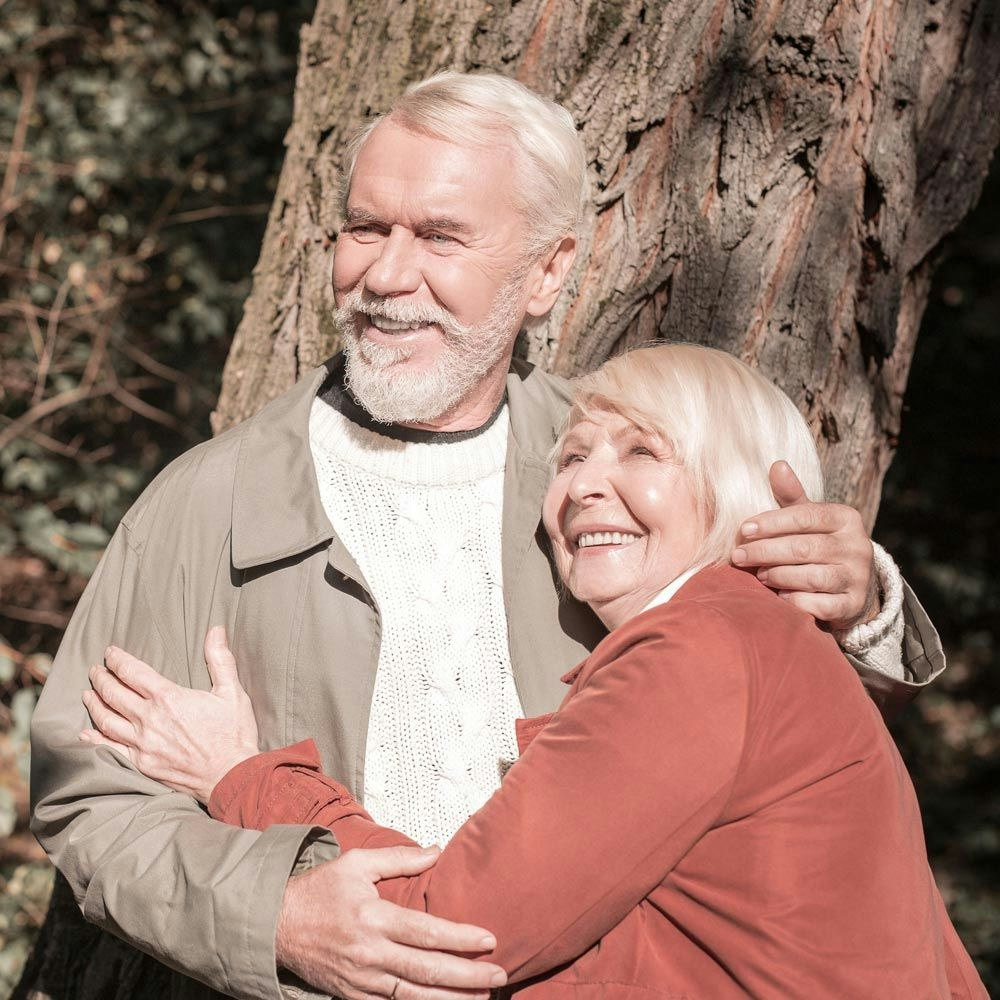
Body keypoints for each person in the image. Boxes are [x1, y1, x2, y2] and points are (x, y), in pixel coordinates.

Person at [31, 72, 944, 1000]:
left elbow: (799, 738)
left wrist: (864, 606)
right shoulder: (206, 503)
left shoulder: (616, 483)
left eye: (439, 237)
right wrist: (275, 915)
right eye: (364, 229)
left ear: (548, 271)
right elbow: (89, 799)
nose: (386, 277)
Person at [80, 344, 986, 999]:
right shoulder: (756, 644)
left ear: (741, 486)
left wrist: (245, 779)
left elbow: (458, 929)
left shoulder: (700, 648)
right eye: (573, 455)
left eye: (642, 451)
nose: (586, 483)